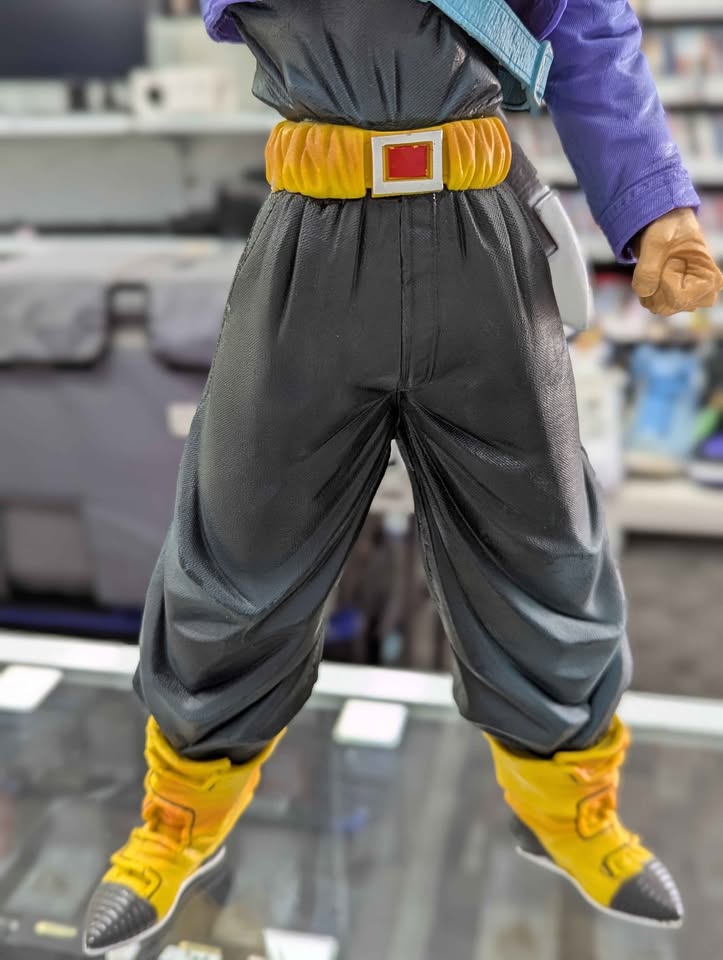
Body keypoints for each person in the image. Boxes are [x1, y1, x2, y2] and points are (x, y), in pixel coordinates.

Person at [83, 0, 723, 952]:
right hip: (312, 239)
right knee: (238, 546)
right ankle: (183, 814)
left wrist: (655, 206)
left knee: (542, 544)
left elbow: (586, 23)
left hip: (479, 235)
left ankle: (565, 806)